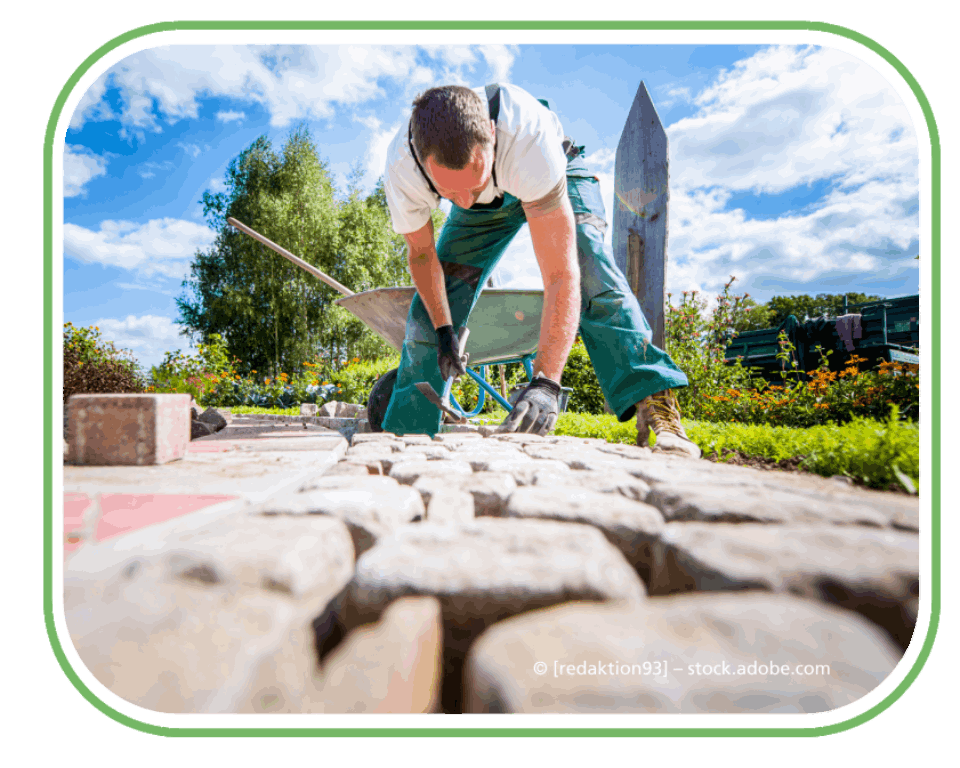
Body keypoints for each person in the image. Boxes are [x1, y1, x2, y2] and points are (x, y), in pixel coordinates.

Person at [378, 82, 701, 458]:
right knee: (433, 307)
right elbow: (422, 255)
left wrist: (547, 382)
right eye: (449, 195)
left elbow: (560, 274)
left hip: (552, 176)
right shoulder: (404, 167)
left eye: (473, 182)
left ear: (493, 138)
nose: (463, 201)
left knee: (591, 264)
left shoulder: (527, 136)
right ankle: (406, 434)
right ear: (423, 162)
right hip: (484, 205)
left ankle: (657, 406)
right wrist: (444, 329)